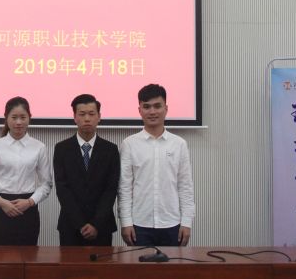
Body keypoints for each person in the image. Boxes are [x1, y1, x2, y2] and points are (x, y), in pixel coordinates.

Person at [119, 84, 195, 247]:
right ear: (139, 110)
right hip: (139, 225)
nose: (152, 111)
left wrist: (187, 222)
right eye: (146, 107)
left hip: (172, 224)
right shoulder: (129, 144)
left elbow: (185, 186)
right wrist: (126, 222)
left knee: (173, 265)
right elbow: (125, 187)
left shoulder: (179, 144)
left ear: (166, 109)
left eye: (157, 106)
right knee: (138, 265)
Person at [0, 96, 52, 245]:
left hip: (28, 209)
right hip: (1, 208)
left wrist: (30, 202)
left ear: (29, 118)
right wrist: (2, 202)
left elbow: (46, 184)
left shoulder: (39, 147)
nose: (18, 122)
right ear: (6, 118)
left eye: (23, 117)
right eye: (14, 117)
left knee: (28, 255)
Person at [53, 94, 120, 246]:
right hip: (70, 225)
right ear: (75, 117)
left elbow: (110, 190)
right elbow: (62, 189)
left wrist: (96, 223)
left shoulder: (110, 150)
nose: (87, 119)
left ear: (99, 117)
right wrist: (80, 224)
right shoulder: (62, 149)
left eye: (91, 114)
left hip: (102, 226)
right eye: (82, 114)